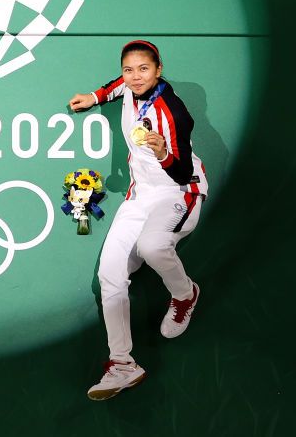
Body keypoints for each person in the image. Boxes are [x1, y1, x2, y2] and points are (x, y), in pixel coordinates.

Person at [68, 39, 208, 400]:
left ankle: (185, 294)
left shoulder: (174, 112)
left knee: (152, 246)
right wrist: (95, 97)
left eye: (143, 69)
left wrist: (162, 152)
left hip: (178, 192)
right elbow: (118, 87)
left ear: (158, 70)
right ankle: (122, 364)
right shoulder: (130, 87)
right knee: (110, 272)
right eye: (129, 69)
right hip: (139, 196)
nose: (134, 76)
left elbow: (179, 172)